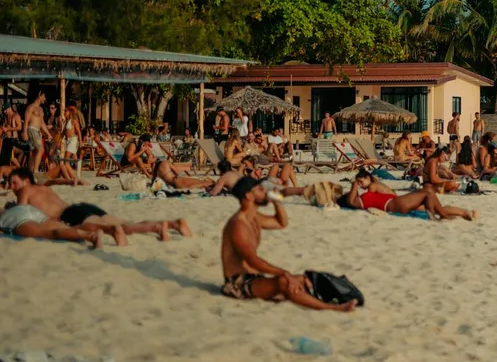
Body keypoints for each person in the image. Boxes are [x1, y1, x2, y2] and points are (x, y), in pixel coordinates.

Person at [220, 176, 356, 311]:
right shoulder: (238, 225)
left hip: (254, 278)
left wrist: (277, 203)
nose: (265, 191)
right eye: (260, 189)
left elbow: (281, 223)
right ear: (249, 195)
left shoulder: (254, 217)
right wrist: (284, 273)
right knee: (284, 281)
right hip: (237, 284)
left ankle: (340, 298)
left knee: (304, 280)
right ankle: (333, 308)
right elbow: (252, 260)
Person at [7, 167, 190, 242]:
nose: (12, 187)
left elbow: (22, 213)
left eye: (15, 182)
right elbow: (55, 182)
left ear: (26, 181)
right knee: (125, 223)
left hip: (70, 215)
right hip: (82, 207)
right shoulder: (43, 188)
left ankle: (157, 227)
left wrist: (10, 208)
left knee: (121, 228)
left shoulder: (25, 191)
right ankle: (172, 224)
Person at [339, 169, 476, 220]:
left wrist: (354, 187)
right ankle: (441, 216)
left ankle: (464, 213)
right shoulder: (361, 200)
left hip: (398, 203)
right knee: (428, 191)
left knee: (432, 201)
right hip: (397, 203)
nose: (359, 185)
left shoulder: (369, 191)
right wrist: (354, 185)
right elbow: (350, 201)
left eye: (360, 182)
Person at [23, 92, 48, 174]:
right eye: (44, 97)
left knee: (33, 152)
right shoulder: (31, 107)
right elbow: (26, 121)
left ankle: (30, 171)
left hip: (38, 132)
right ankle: (36, 170)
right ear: (39, 96)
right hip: (32, 130)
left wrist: (48, 134)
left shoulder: (41, 109)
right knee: (41, 150)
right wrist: (25, 133)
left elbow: (42, 123)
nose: (45, 99)